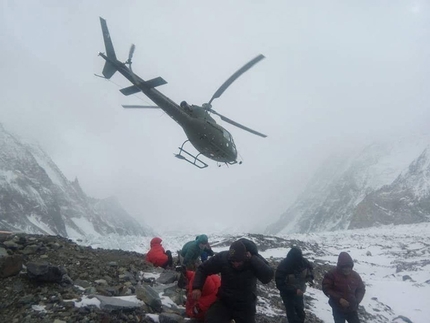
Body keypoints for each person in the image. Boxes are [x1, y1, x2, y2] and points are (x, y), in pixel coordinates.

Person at [191, 238, 274, 323]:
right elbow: (203, 269)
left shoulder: (254, 259)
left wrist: (253, 260)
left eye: (238, 261)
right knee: (211, 319)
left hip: (245, 304)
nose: (235, 264)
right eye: (233, 261)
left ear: (246, 256)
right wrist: (197, 287)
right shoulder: (223, 258)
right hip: (225, 301)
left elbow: (267, 277)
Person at [322, 252, 366, 323]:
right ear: (340, 266)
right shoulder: (331, 274)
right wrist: (339, 299)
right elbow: (326, 288)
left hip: (351, 308)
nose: (347, 269)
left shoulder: (355, 276)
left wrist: (357, 300)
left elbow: (361, 289)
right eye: (344, 267)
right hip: (337, 308)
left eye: (349, 267)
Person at [275, 246, 314, 323]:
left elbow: (310, 270)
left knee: (301, 313)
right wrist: (294, 290)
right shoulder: (283, 266)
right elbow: (280, 284)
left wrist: (309, 278)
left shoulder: (303, 262)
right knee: (292, 315)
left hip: (299, 292)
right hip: (287, 294)